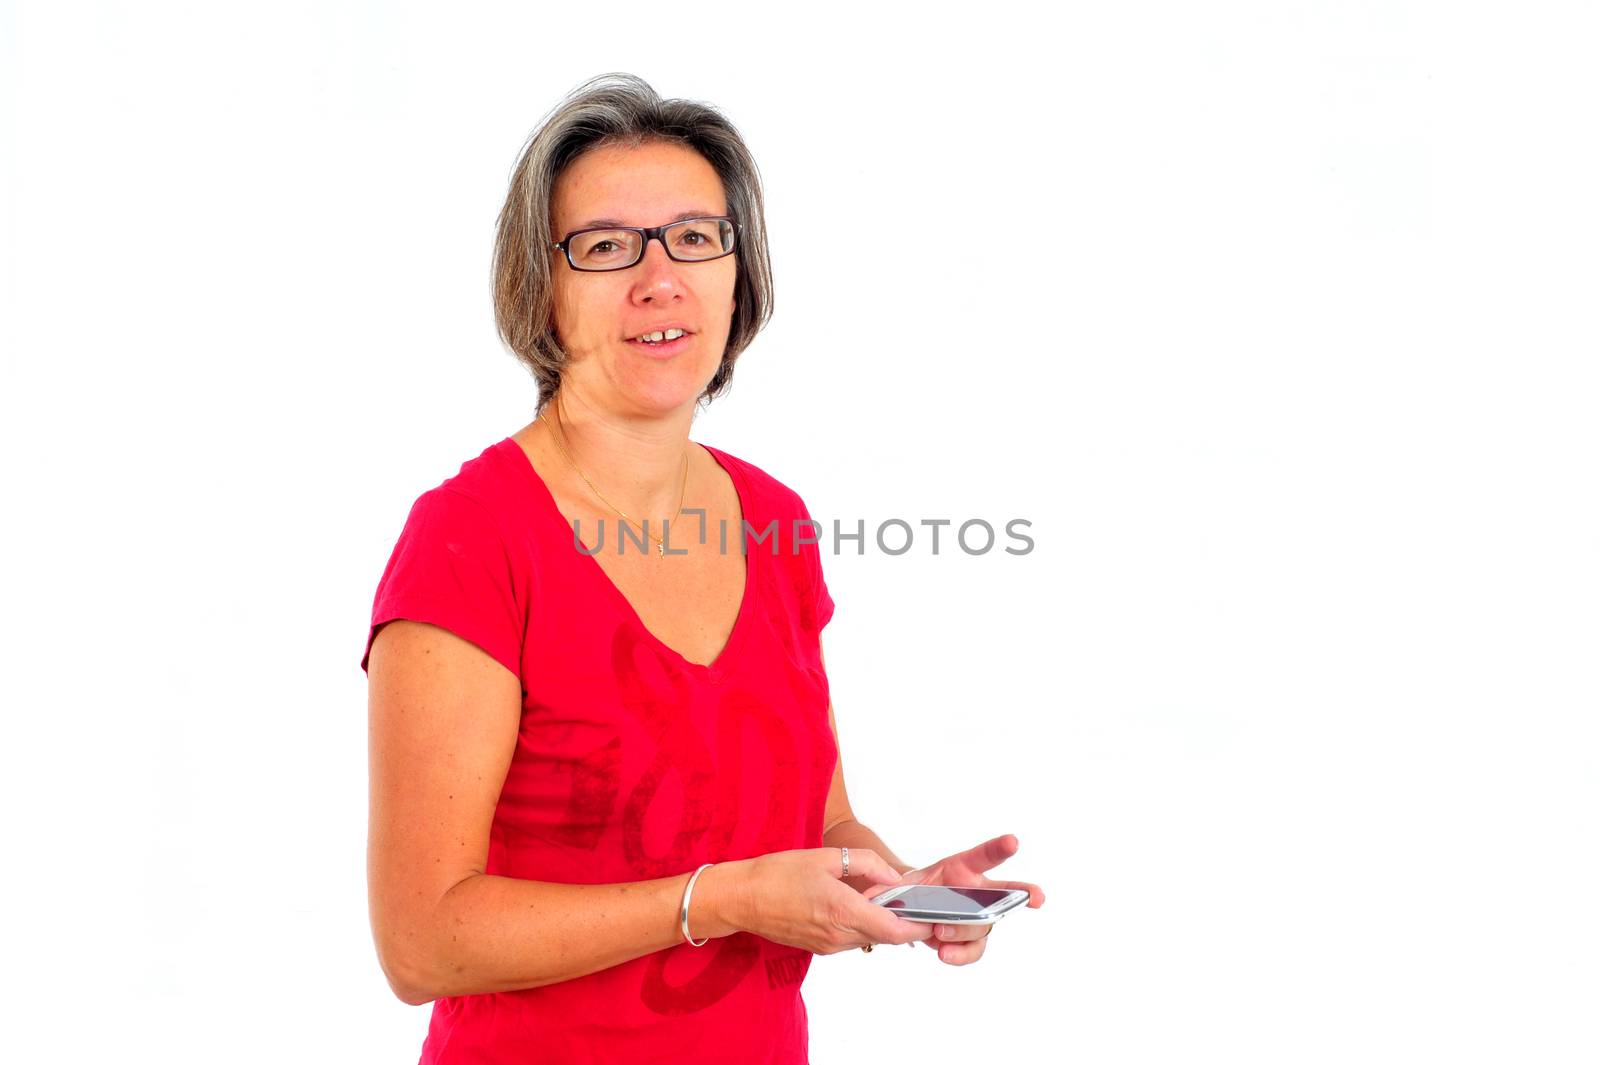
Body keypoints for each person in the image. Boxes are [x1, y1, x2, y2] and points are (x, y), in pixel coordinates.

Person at [360, 73, 1045, 1063]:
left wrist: (900, 892)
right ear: (540, 288)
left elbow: (818, 817)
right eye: (604, 247)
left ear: (738, 271)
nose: (659, 279)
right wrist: (716, 901)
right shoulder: (470, 539)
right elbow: (420, 942)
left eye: (695, 237)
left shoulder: (774, 521)